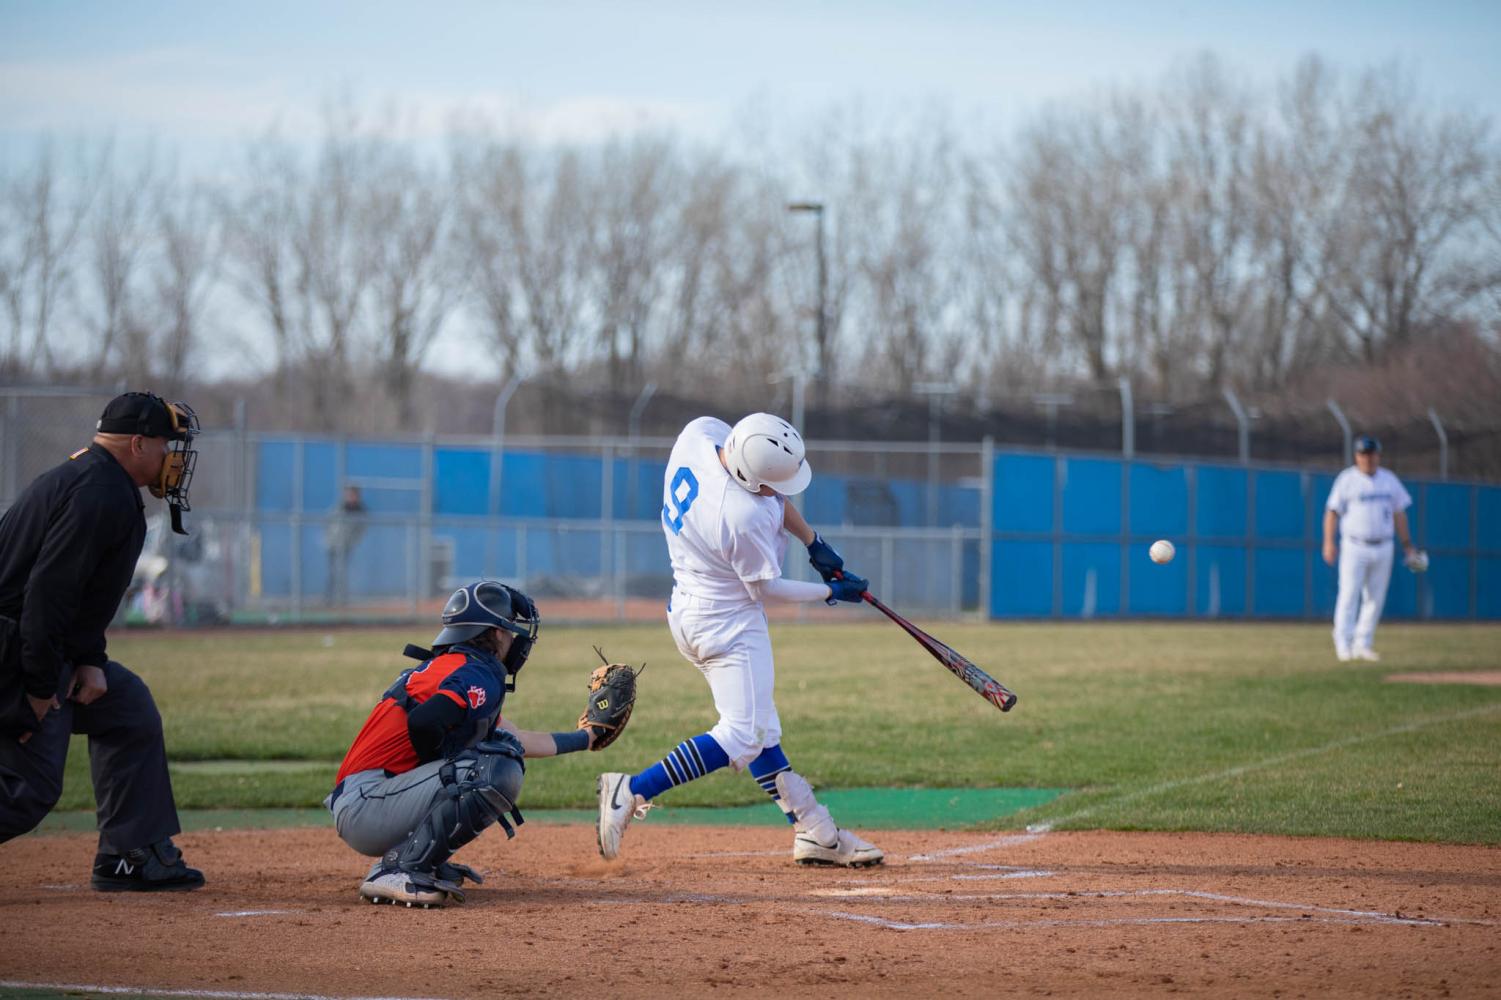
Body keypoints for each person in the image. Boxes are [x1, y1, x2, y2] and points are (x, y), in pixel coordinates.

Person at [596, 412, 882, 868]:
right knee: (743, 734)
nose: (779, 492)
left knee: (760, 729)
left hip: (689, 610)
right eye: (770, 485)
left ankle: (816, 832)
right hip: (727, 623)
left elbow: (772, 491)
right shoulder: (739, 513)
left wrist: (813, 542)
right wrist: (831, 592)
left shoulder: (700, 434)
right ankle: (631, 790)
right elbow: (766, 589)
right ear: (751, 478)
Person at [0, 391, 205, 891]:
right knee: (30, 787)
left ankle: (128, 854)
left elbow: (78, 600)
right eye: (164, 446)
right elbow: (46, 598)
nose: (170, 460)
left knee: (127, 706)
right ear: (137, 443)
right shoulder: (99, 493)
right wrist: (37, 688)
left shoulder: (95, 479)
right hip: (17, 648)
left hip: (35, 641)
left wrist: (90, 659)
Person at [328, 579, 620, 908]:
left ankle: (416, 857)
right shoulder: (477, 672)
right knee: (490, 768)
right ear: (496, 633)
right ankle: (401, 868)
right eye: (511, 630)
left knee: (489, 759)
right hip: (369, 804)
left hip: (372, 800)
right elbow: (423, 723)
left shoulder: (458, 669)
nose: (516, 638)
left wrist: (588, 737)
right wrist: (446, 765)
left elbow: (515, 739)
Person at [1322, 435, 1418, 662]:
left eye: (1371, 453)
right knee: (1348, 594)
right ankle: (1343, 643)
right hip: (1354, 545)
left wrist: (1407, 545)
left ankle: (1363, 643)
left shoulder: (1389, 480)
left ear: (1378, 455)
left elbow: (1399, 513)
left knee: (1375, 598)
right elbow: (1332, 512)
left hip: (1384, 545)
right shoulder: (1347, 479)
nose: (1368, 458)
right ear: (1356, 456)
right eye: (1363, 454)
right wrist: (1328, 542)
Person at [325, 483, 367, 605]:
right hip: (334, 543)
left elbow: (362, 528)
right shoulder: (340, 507)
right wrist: (330, 538)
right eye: (349, 494)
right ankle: (330, 598)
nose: (350, 496)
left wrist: (354, 541)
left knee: (342, 571)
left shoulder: (361, 510)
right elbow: (329, 523)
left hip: (347, 545)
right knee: (333, 572)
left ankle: (342, 598)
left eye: (353, 494)